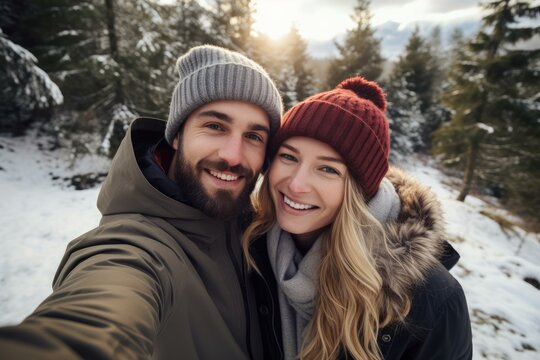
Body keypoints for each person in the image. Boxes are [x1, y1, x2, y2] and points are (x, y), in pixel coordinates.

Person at [0, 45, 283, 359]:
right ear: (176, 136)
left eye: (254, 136)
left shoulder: (257, 229)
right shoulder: (135, 247)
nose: (232, 155)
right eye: (215, 126)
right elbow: (102, 310)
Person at [242, 76, 473, 360]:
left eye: (328, 169)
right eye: (289, 157)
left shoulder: (432, 300)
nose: (296, 184)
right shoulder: (249, 246)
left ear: (359, 193)